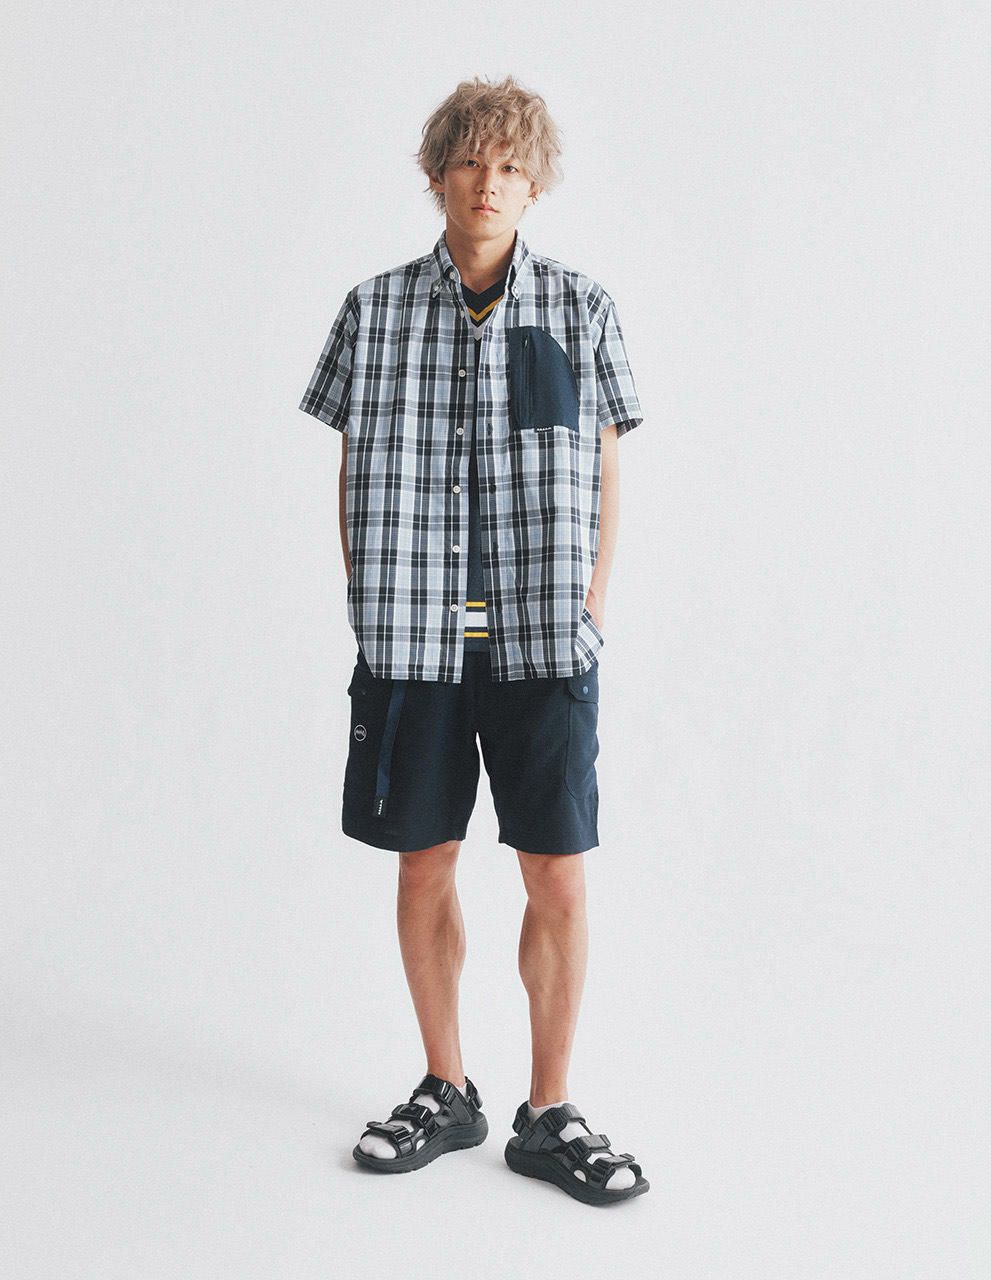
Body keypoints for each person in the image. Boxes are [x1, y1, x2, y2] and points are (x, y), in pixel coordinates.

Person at [298, 75, 649, 1205]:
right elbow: (348, 469)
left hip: (545, 638)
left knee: (557, 871)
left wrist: (592, 605)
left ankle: (550, 1111)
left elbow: (605, 463)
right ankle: (446, 1087)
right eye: (468, 162)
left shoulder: (582, 307)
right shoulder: (373, 310)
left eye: (508, 166)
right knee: (425, 859)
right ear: (437, 174)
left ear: (533, 183)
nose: (487, 183)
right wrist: (370, 599)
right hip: (414, 637)